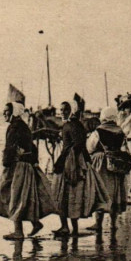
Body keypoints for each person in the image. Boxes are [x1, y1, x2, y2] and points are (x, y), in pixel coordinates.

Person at [0, 102, 56, 240]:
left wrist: (6, 163)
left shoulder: (14, 127)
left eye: (7, 111)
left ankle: (18, 231)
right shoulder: (23, 126)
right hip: (25, 166)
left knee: (15, 196)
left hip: (17, 166)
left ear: (14, 112)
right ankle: (35, 223)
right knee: (23, 196)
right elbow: (32, 147)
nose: (4, 113)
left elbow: (10, 148)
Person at [51, 101, 102, 238]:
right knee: (74, 195)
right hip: (79, 163)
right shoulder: (78, 125)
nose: (62, 112)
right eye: (61, 109)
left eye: (65, 110)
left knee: (61, 194)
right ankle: (73, 228)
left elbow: (72, 146)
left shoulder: (68, 125)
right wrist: (87, 161)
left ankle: (65, 227)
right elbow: (81, 145)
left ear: (71, 111)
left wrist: (59, 162)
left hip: (70, 163)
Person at [86, 107, 127, 240]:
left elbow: (90, 147)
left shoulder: (98, 131)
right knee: (115, 193)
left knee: (101, 191)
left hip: (101, 163)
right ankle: (113, 224)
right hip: (116, 163)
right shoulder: (120, 130)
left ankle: (98, 224)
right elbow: (124, 147)